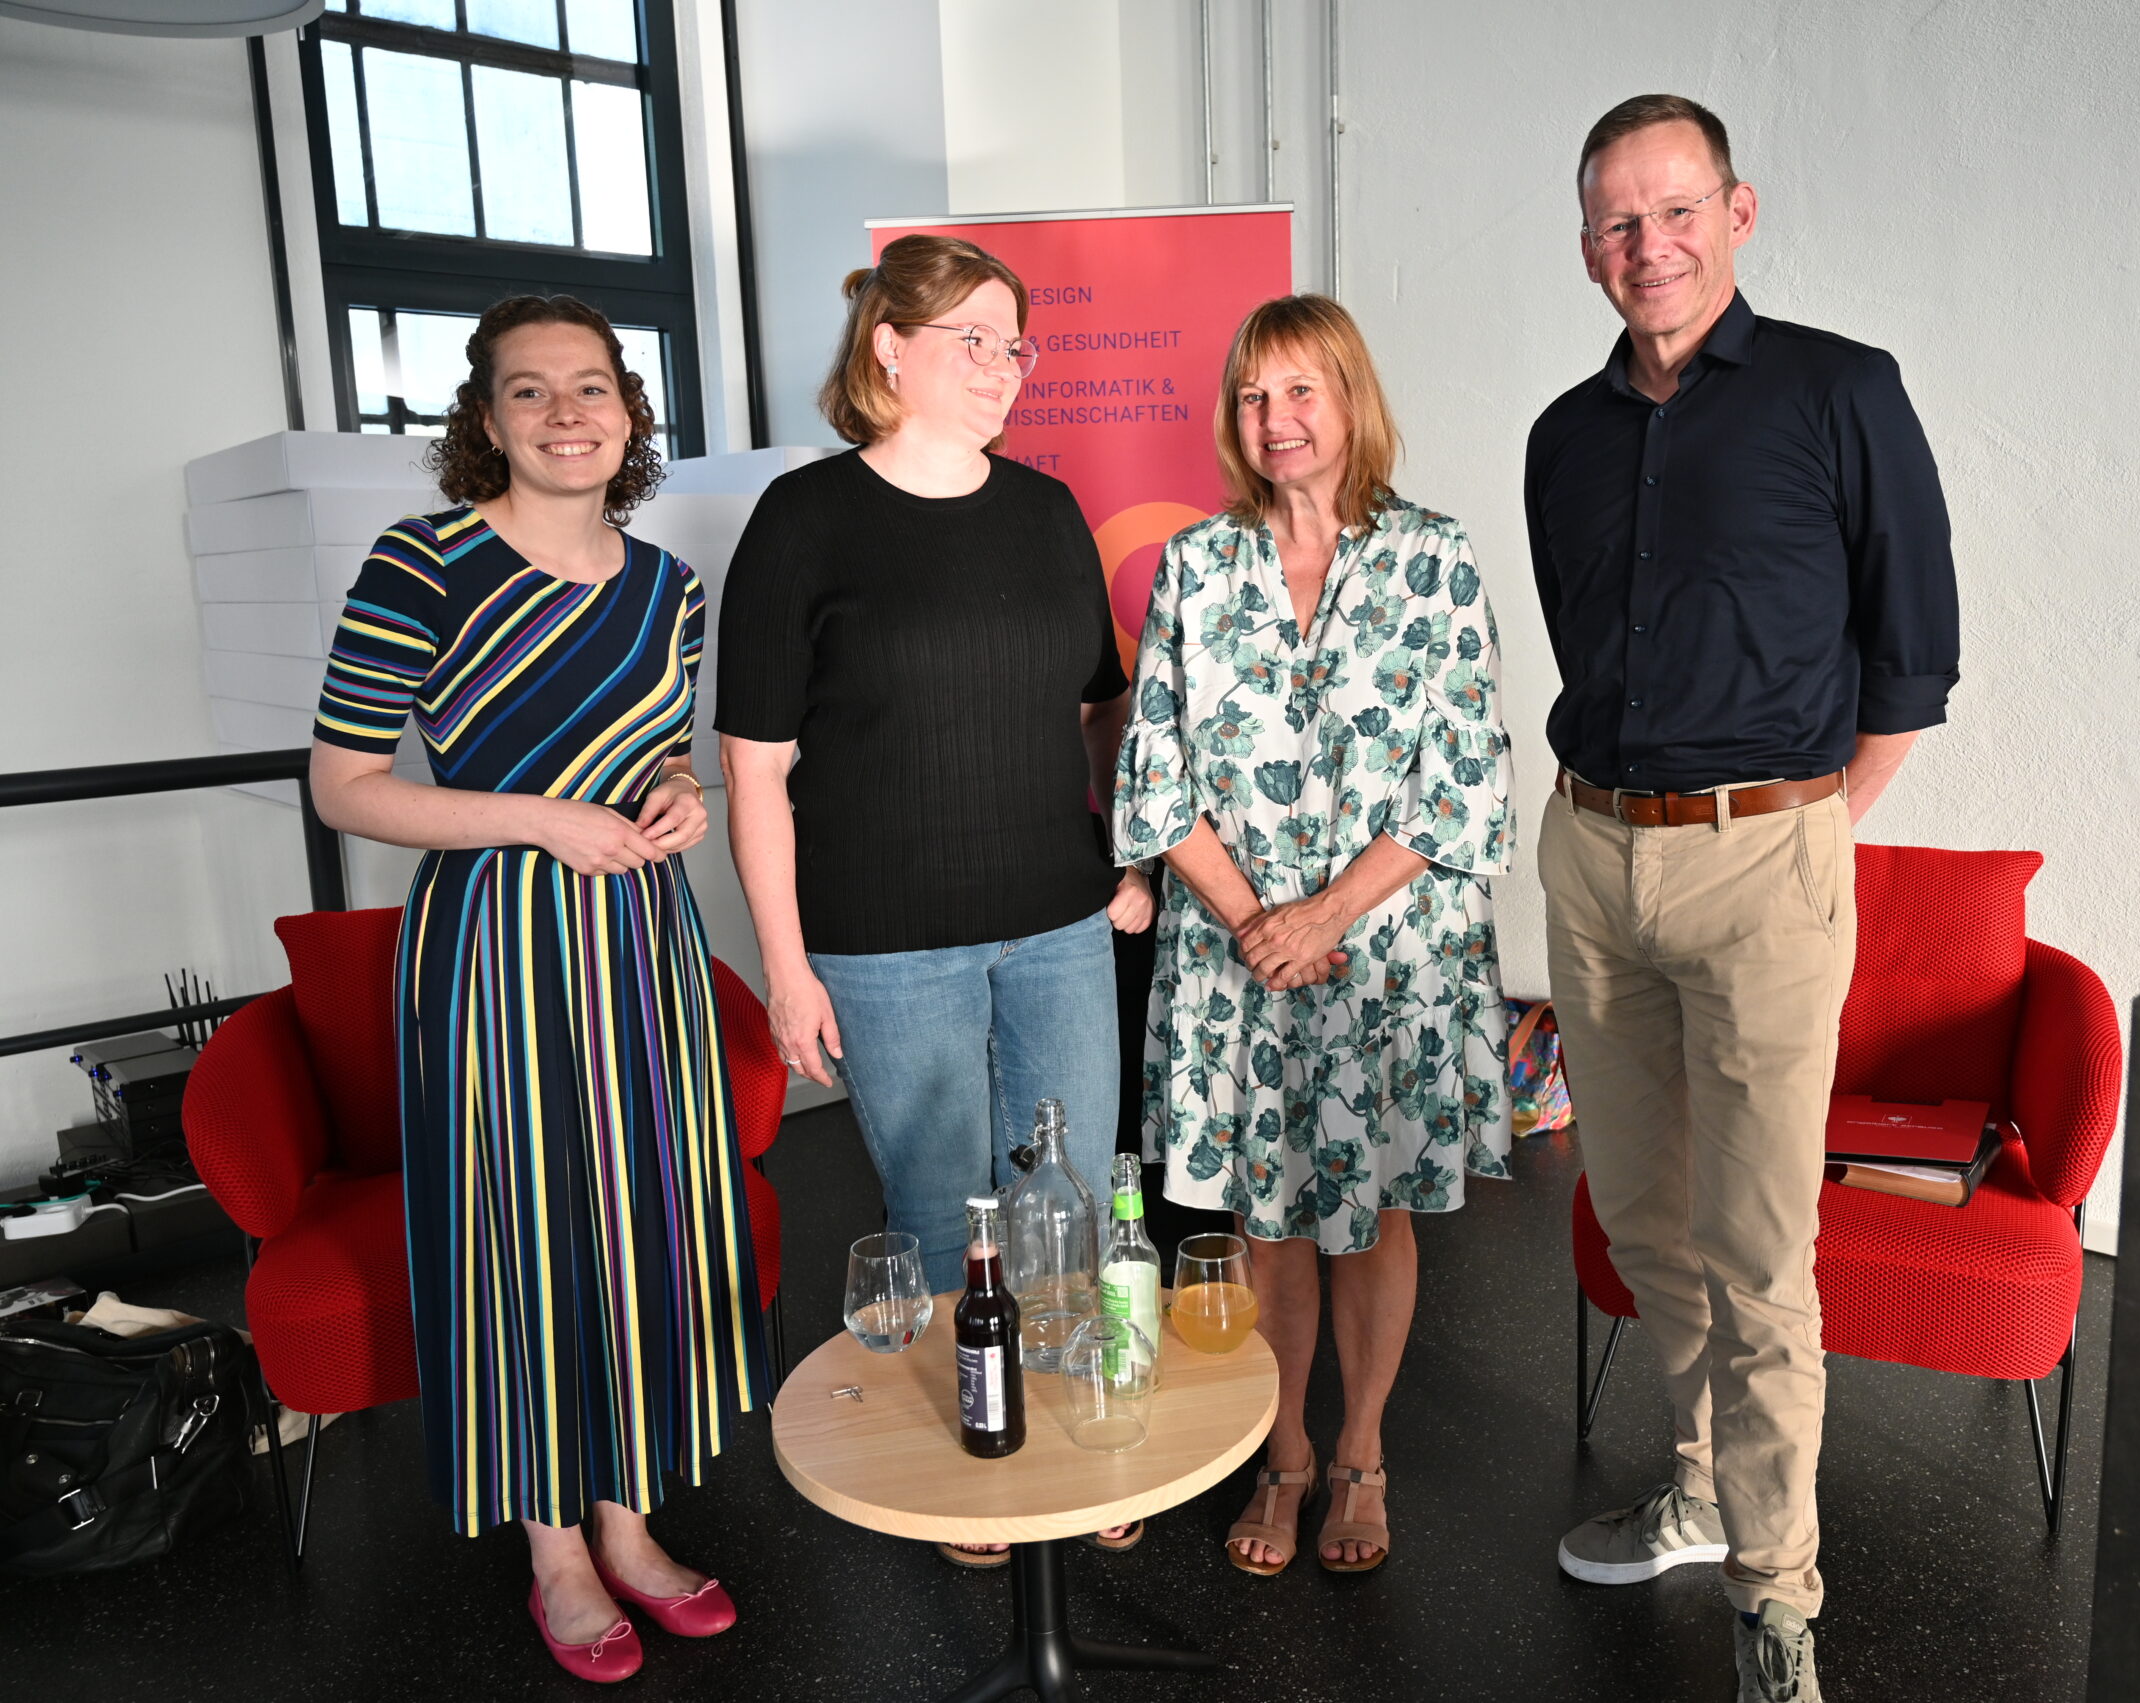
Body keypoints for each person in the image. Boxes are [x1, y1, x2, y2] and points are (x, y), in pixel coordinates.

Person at [1531, 95, 1961, 1700]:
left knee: (1761, 1248)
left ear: (1739, 210)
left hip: (1767, 859)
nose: (1648, 245)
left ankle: (1778, 1595)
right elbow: (1592, 644)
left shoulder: (1844, 391)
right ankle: (1705, 1480)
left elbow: (1912, 651)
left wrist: (1803, 826)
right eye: (1616, 223)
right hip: (1592, 856)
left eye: (1674, 210)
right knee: (1646, 1215)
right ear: (1588, 248)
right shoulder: (1564, 438)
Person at [308, 296, 768, 1684]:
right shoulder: (421, 564)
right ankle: (554, 1547)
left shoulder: (669, 588)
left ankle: (630, 1521)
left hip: (641, 945)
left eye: (591, 387)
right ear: (486, 419)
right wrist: (535, 818)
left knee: (640, 1225)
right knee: (521, 1229)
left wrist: (679, 794)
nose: (566, 413)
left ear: (629, 413)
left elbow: (661, 757)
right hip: (494, 952)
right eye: (529, 391)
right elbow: (344, 787)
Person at [716, 235, 1152, 1565]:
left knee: (1069, 1193)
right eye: (973, 337)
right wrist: (786, 967)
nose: (1003, 368)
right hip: (884, 939)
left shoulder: (1043, 511)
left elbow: (1097, 709)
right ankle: (982, 1434)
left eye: (1015, 343)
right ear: (887, 348)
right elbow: (754, 771)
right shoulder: (805, 519)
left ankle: (1088, 1417)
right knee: (943, 1200)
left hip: (1060, 919)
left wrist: (1127, 855)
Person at [1115, 295, 1514, 1576]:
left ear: (1349, 402)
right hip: (1239, 953)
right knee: (1270, 1214)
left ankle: (1362, 1454)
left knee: (1375, 1205)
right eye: (1252, 396)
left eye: (1300, 391)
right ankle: (1283, 1453)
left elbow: (1461, 778)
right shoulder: (1193, 564)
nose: (1276, 420)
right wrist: (1255, 921)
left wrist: (1326, 914)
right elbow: (1153, 774)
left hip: (1386, 952)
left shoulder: (1435, 559)